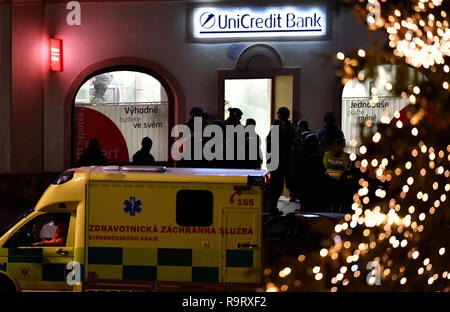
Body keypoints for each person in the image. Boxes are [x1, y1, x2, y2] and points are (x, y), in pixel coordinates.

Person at [266, 107, 296, 215]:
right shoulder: (287, 127)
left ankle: (272, 209)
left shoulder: (285, 127)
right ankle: (272, 209)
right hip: (282, 162)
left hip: (280, 162)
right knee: (276, 187)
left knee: (276, 187)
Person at [322, 138, 350, 212]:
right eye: (336, 147)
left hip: (338, 183)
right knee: (329, 202)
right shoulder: (327, 154)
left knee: (335, 202)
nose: (337, 149)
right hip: (329, 182)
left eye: (339, 147)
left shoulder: (346, 156)